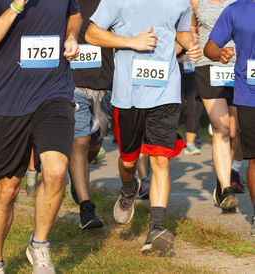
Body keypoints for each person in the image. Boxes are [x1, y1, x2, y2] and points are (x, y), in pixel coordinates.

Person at [0, 0, 82, 272]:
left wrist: (70, 36)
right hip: (7, 100)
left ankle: (40, 245)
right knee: (7, 190)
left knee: (56, 170)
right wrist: (15, 7)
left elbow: (74, 15)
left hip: (54, 92)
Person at [85, 0, 201, 255]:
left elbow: (180, 30)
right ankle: (129, 189)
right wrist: (131, 42)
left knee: (161, 160)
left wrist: (190, 44)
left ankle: (156, 230)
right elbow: (91, 33)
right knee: (128, 162)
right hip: (129, 94)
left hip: (166, 91)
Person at [204, 0, 255, 237]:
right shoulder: (235, 10)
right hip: (249, 95)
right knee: (254, 160)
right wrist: (220, 53)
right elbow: (210, 47)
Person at [66, 0, 114, 230]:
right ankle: (86, 207)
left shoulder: (109, 2)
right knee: (81, 141)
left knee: (95, 144)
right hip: (71, 83)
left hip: (102, 83)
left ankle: (77, 177)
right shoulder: (66, 4)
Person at [191, 0, 244, 205]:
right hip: (207, 64)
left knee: (233, 130)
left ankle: (226, 171)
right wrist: (192, 40)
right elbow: (191, 26)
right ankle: (225, 188)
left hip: (238, 64)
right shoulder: (196, 0)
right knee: (220, 127)